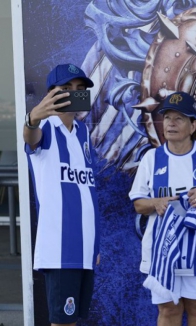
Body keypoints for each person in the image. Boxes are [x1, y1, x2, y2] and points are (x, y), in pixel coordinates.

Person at [129, 91, 196, 326]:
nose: (171, 123)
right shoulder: (152, 159)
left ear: (193, 125)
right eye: (167, 118)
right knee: (168, 311)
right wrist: (156, 203)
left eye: (179, 118)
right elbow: (138, 204)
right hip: (162, 250)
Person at [23, 63, 100, 326]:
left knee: (73, 321)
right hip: (59, 248)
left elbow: (87, 189)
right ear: (51, 94)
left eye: (79, 89)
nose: (73, 93)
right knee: (61, 323)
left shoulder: (83, 132)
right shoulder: (45, 126)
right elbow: (31, 138)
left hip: (84, 246)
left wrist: (95, 242)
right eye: (65, 89)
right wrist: (31, 117)